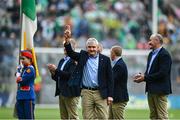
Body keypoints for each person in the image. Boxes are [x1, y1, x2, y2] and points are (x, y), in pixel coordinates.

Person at [64, 25, 113, 119]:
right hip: (86, 92)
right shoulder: (83, 56)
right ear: (86, 47)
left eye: (93, 47)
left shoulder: (105, 60)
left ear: (97, 47)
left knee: (103, 117)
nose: (91, 49)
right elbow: (70, 53)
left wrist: (110, 95)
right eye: (89, 47)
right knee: (87, 117)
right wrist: (67, 40)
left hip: (101, 92)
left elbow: (110, 78)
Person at [133, 33, 172, 119]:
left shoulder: (164, 55)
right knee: (153, 116)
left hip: (160, 90)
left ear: (157, 41)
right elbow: (150, 72)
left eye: (151, 40)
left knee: (162, 116)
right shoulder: (151, 54)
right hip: (151, 89)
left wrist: (145, 78)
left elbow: (162, 73)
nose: (149, 42)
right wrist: (142, 76)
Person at [47, 39, 80, 119]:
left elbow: (70, 76)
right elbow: (58, 77)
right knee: (63, 117)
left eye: (66, 46)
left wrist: (56, 70)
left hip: (71, 93)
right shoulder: (62, 60)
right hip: (62, 92)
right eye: (64, 47)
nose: (64, 48)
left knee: (73, 117)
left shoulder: (75, 60)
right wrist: (53, 72)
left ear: (73, 48)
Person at [109, 45, 129, 119]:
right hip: (115, 97)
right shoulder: (118, 64)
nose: (110, 54)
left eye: (110, 53)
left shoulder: (119, 65)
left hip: (119, 98)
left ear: (113, 53)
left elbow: (112, 80)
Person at [15, 50, 36, 119]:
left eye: (23, 59)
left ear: (29, 59)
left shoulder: (30, 69)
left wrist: (18, 72)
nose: (22, 60)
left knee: (28, 117)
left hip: (28, 97)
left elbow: (21, 80)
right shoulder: (24, 69)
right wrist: (19, 71)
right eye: (21, 59)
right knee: (21, 118)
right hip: (20, 96)